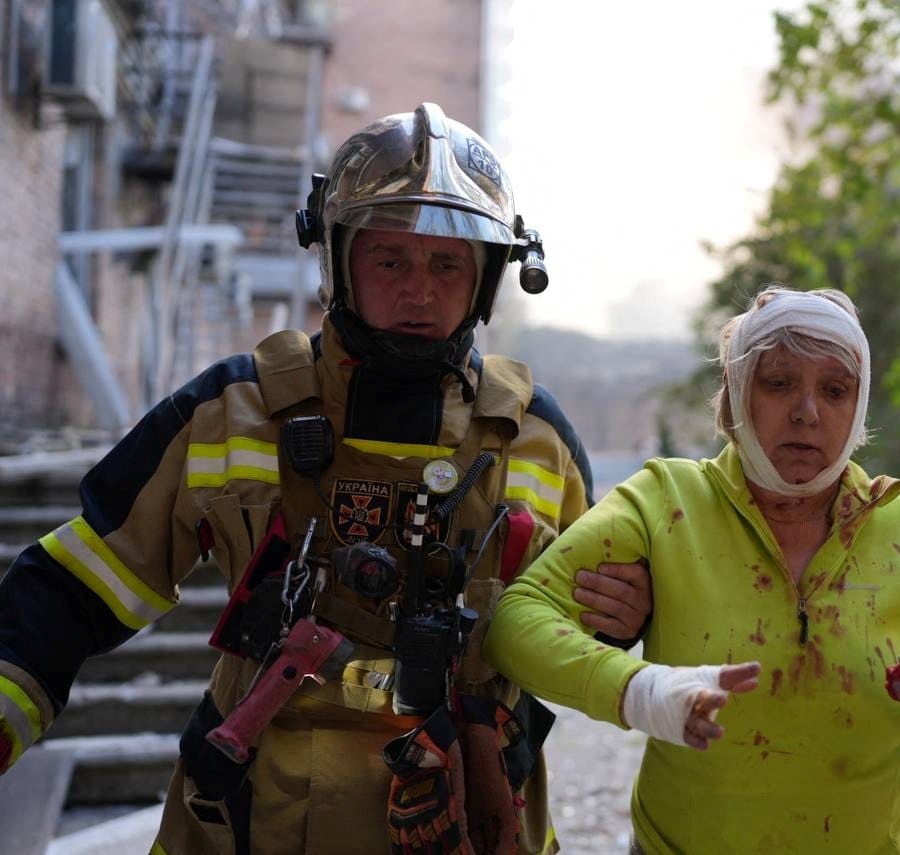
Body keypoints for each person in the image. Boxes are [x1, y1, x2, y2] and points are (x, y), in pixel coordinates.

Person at [0, 102, 651, 854]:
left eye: (447, 264)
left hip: (467, 814)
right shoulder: (232, 413)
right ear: (338, 259)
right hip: (250, 817)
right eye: (390, 260)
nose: (419, 290)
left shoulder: (536, 438)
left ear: (486, 279)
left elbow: (583, 627)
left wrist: (621, 619)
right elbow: (78, 585)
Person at [484, 285, 900, 854]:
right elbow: (515, 622)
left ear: (858, 407)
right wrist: (640, 690)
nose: (808, 411)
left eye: (835, 390)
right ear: (736, 395)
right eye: (779, 383)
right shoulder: (665, 501)